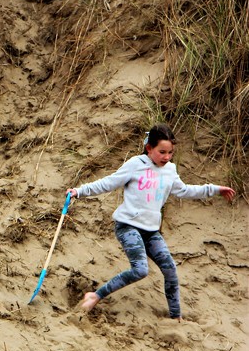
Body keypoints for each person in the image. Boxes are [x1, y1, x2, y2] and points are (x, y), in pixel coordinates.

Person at [66, 123, 235, 320]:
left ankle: (176, 318)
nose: (167, 157)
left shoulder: (170, 170)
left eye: (170, 152)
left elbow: (185, 190)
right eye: (162, 152)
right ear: (149, 148)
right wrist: (79, 191)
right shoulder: (135, 164)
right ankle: (95, 295)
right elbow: (109, 183)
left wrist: (214, 189)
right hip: (128, 226)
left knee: (170, 269)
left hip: (151, 231)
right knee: (140, 270)